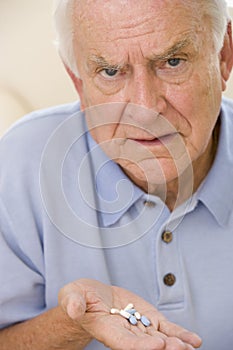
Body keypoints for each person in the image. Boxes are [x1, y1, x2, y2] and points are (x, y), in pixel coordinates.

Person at [0, 0, 233, 348]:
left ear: (223, 56)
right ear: (78, 82)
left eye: (172, 62)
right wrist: (73, 323)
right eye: (110, 72)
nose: (144, 108)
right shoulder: (18, 166)